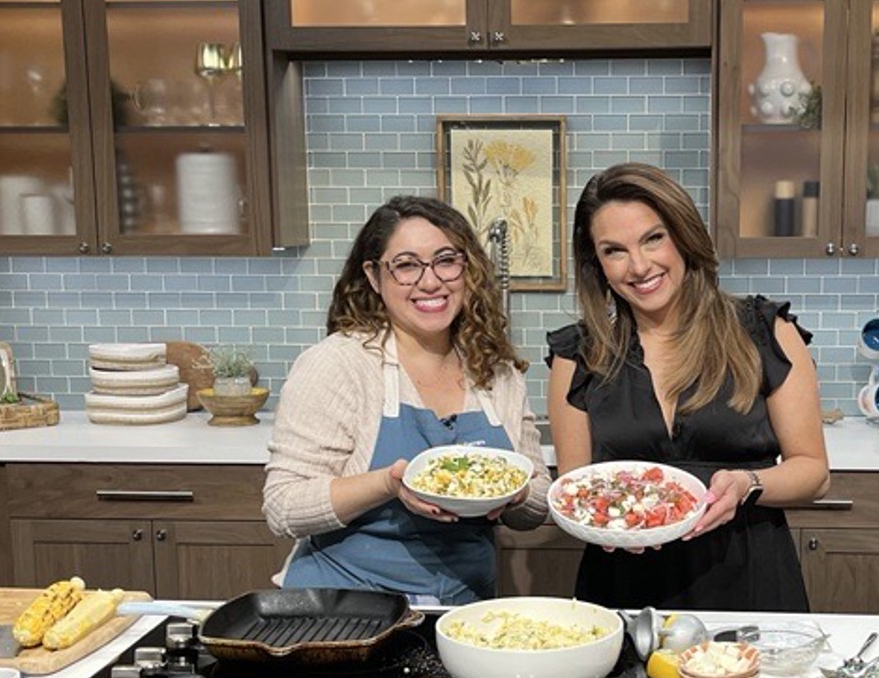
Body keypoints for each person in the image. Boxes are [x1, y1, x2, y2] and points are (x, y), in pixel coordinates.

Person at [546, 162, 829, 611]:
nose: (639, 266)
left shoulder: (763, 331)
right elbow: (574, 490)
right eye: (614, 250)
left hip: (747, 576)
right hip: (623, 585)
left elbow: (813, 470)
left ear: (683, 235)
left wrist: (747, 483)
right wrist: (606, 522)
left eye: (653, 238)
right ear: (597, 264)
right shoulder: (579, 355)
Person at [264, 195, 549, 605]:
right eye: (406, 265)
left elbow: (535, 503)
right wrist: (387, 483)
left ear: (467, 269)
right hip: (343, 607)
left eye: (446, 260)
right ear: (375, 277)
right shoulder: (338, 363)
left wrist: (517, 494)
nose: (430, 281)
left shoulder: (495, 371)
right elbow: (283, 508)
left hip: (460, 611)